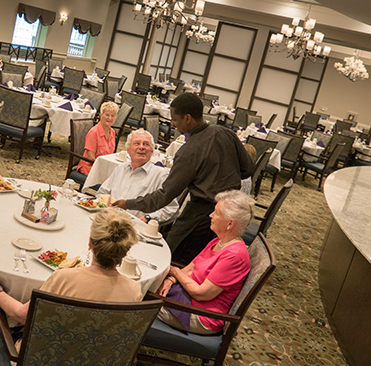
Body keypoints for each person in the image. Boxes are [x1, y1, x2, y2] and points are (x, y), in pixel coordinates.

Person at [111, 93, 254, 265]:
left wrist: (127, 203)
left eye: (174, 119)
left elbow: (164, 196)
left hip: (201, 215)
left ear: (187, 118)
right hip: (232, 215)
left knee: (170, 254)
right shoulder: (226, 133)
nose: (172, 123)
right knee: (206, 260)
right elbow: (248, 170)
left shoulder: (189, 151)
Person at [0, 209, 143, 326]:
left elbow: (23, 316)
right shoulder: (134, 290)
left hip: (41, 364)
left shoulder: (64, 278)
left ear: (90, 243)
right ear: (126, 250)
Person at [155, 190, 253, 335]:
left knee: (139, 301)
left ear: (230, 223)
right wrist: (171, 279)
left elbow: (201, 294)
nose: (210, 215)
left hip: (202, 315)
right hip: (186, 297)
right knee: (147, 288)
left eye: (216, 213)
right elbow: (190, 269)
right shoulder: (219, 241)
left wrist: (174, 271)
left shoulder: (234, 256)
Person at [97, 129, 179, 224]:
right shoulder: (120, 168)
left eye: (146, 144)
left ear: (152, 151)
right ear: (128, 150)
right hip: (109, 220)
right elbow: (102, 192)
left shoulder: (160, 175)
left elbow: (172, 208)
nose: (141, 147)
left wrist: (148, 217)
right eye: (137, 143)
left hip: (135, 227)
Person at [76, 101, 119, 176]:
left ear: (116, 117)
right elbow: (91, 158)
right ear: (101, 115)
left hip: (104, 167)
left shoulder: (112, 132)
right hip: (91, 167)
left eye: (113, 115)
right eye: (107, 115)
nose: (110, 118)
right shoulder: (94, 133)